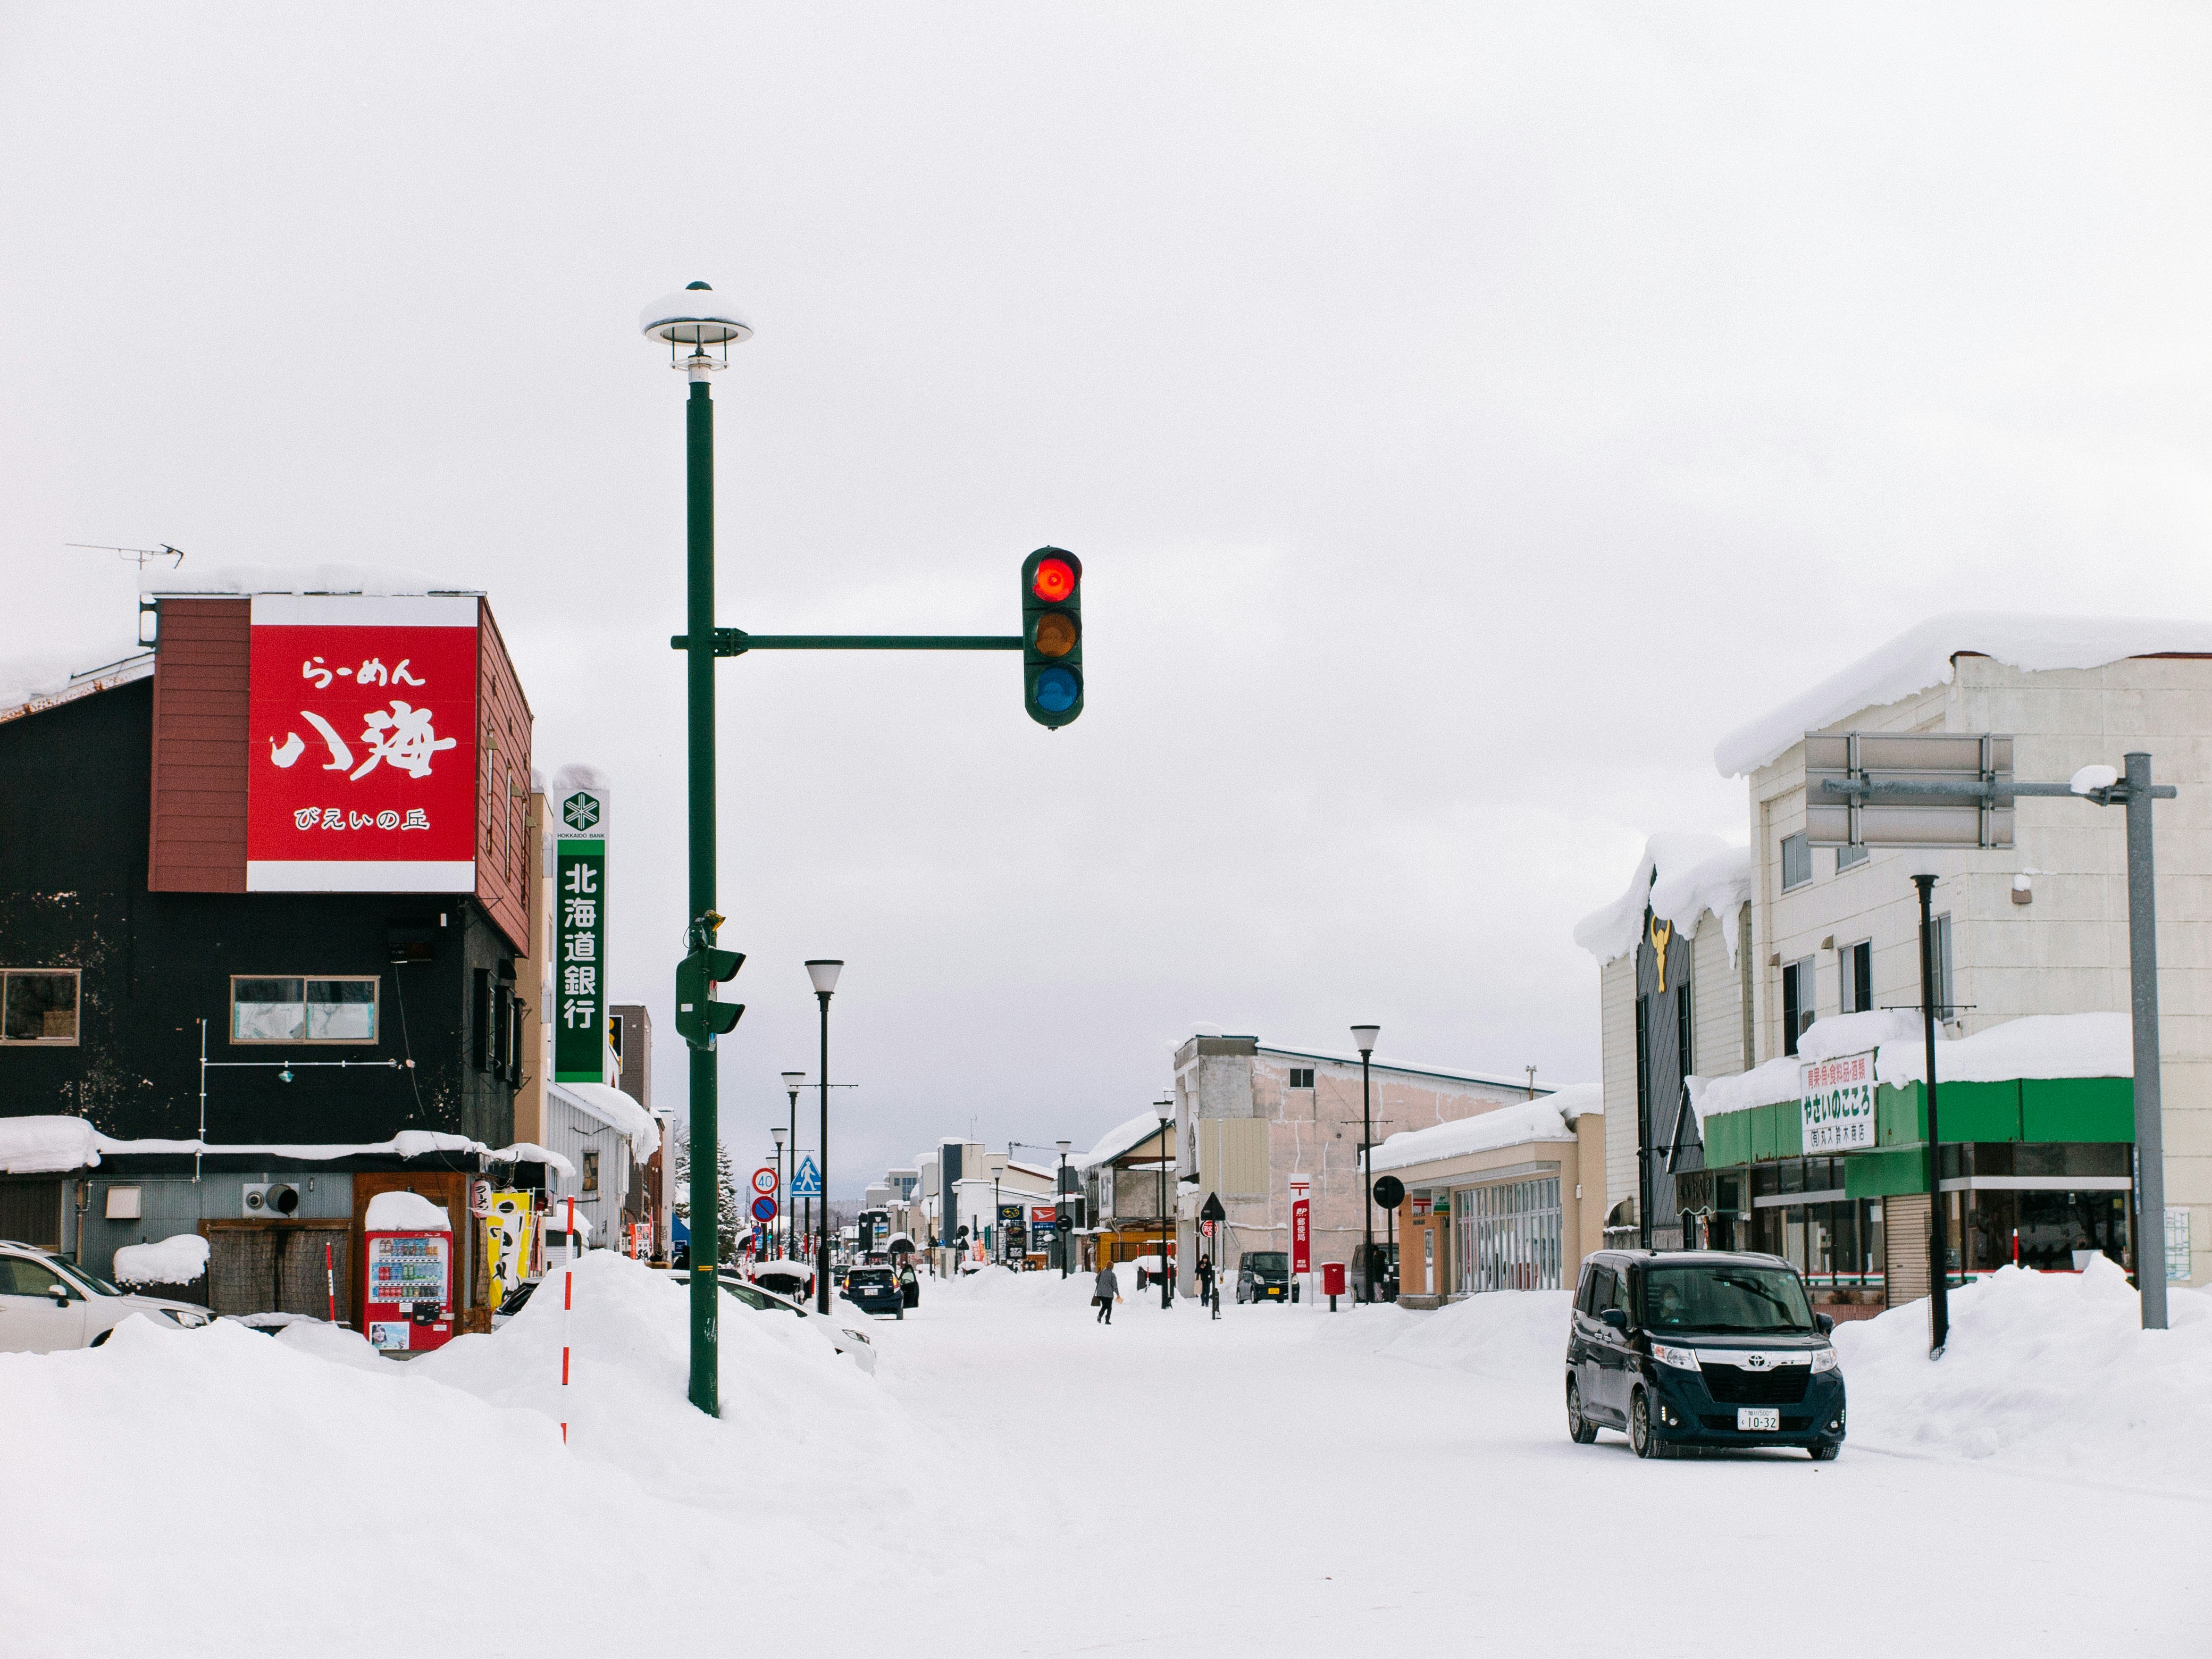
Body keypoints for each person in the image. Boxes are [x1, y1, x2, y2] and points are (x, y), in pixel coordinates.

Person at [1094, 1260, 1122, 1325]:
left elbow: (1096, 1280)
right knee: (1109, 1307)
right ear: (1112, 1267)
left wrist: (1101, 1285)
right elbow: (1115, 1285)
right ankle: (1107, 1320)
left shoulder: (1101, 1273)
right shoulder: (1112, 1275)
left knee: (1105, 1305)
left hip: (1100, 1293)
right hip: (1109, 1294)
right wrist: (1118, 1294)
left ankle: (1100, 1316)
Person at [1196, 1255, 1217, 1319]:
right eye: (1204, 1259)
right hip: (1202, 1280)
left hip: (1208, 1280)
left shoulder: (1209, 1265)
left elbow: (1211, 1272)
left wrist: (1212, 1279)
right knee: (1203, 1292)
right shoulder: (1200, 1264)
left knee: (1207, 1291)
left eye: (1206, 1259)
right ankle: (1203, 1302)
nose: (1205, 1260)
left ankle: (1207, 1303)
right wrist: (1200, 1268)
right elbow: (1197, 1271)